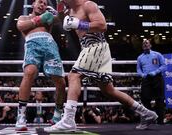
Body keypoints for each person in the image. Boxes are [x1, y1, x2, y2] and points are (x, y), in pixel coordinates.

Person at [44, 0, 158, 131]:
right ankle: (146, 113)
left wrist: (78, 24)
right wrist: (55, 13)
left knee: (74, 76)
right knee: (109, 91)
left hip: (96, 46)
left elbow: (102, 25)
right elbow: (62, 20)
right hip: (90, 48)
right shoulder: (69, 9)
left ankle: (69, 120)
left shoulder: (88, 5)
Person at [15, 0, 66, 131]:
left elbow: (61, 18)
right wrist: (39, 19)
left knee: (61, 82)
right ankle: (21, 116)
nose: (42, 4)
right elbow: (21, 26)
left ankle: (58, 114)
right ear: (33, 4)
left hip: (50, 45)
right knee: (29, 72)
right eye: (39, 2)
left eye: (44, 3)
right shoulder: (24, 17)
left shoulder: (49, 18)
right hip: (32, 45)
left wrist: (60, 6)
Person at [136, 39, 166, 124]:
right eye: (144, 43)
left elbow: (164, 66)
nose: (145, 44)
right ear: (142, 46)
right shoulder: (140, 57)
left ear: (150, 45)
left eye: (147, 43)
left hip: (157, 78)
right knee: (145, 99)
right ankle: (149, 119)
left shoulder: (157, 54)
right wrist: (142, 74)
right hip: (146, 79)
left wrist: (155, 72)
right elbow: (138, 69)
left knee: (159, 99)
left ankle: (160, 121)